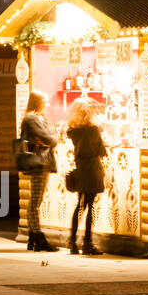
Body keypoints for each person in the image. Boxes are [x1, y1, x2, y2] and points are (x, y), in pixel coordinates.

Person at [65, 97, 108, 256]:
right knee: (90, 207)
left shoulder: (73, 131)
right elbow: (101, 151)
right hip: (92, 170)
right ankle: (87, 243)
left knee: (79, 206)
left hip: (80, 169)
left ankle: (72, 242)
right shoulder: (94, 130)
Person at [19, 91, 59, 252]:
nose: (47, 104)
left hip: (40, 161)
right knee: (35, 200)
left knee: (35, 200)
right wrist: (52, 138)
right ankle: (37, 235)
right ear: (37, 102)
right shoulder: (32, 118)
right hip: (38, 162)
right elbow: (50, 138)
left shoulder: (35, 117)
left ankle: (32, 236)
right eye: (45, 101)